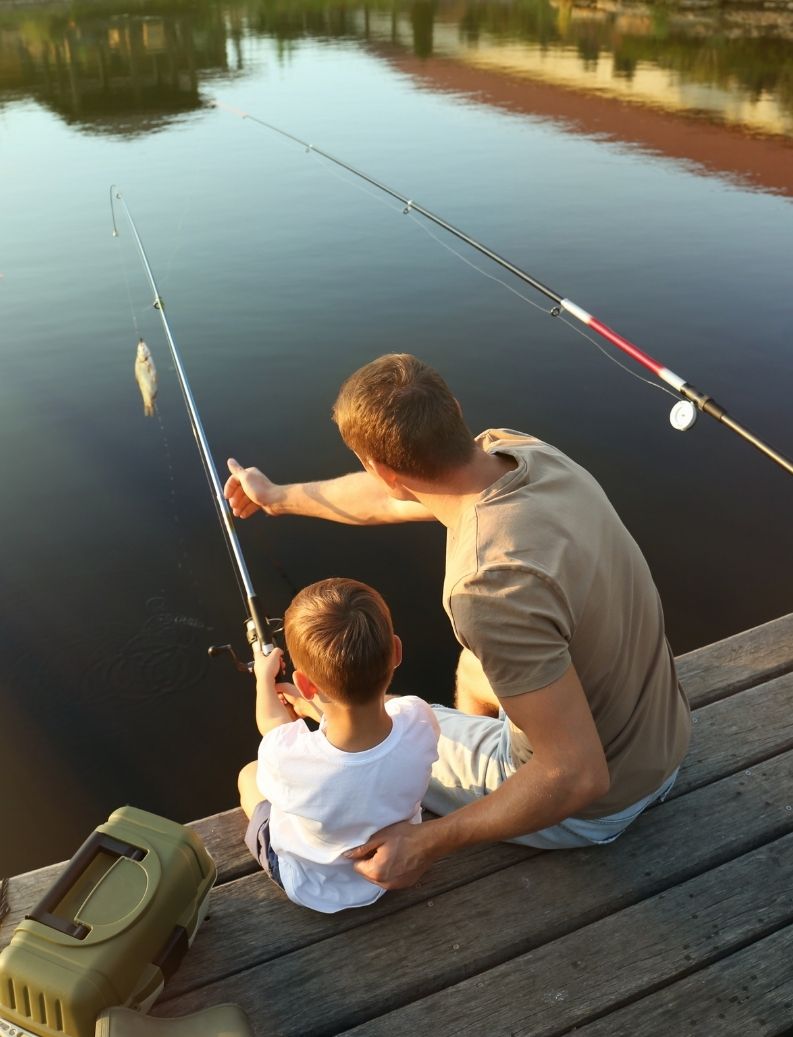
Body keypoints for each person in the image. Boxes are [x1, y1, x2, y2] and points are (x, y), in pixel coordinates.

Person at [226, 353, 691, 891]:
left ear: (382, 468)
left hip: (604, 802)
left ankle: (494, 778)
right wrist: (278, 498)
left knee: (382, 740)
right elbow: (391, 496)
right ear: (455, 413)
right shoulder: (523, 452)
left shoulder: (487, 585)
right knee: (476, 666)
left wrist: (426, 843)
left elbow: (580, 775)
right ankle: (492, 745)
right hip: (663, 739)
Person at [237, 576, 440, 913]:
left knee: (248, 776)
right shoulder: (419, 718)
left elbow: (272, 725)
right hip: (391, 861)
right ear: (397, 652)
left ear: (304, 683)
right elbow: (381, 717)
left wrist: (263, 679)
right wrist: (315, 706)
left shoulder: (286, 759)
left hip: (311, 886)